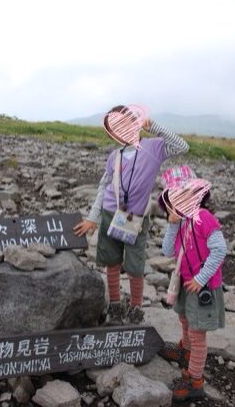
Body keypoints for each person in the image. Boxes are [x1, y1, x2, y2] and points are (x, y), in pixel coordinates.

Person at [74, 105, 189, 325]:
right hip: (110, 213)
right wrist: (92, 218)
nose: (121, 131)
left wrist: (153, 126)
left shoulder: (153, 148)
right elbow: (104, 187)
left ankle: (136, 309)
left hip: (136, 218)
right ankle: (115, 306)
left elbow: (182, 146)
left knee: (135, 266)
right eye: (115, 127)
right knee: (112, 262)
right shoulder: (114, 156)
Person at [158, 178, 227, 402]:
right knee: (185, 319)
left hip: (202, 285)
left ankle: (195, 380)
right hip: (187, 283)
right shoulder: (182, 222)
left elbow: (219, 249)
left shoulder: (204, 218)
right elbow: (168, 251)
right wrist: (172, 225)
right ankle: (185, 351)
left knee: (197, 333)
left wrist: (200, 278)